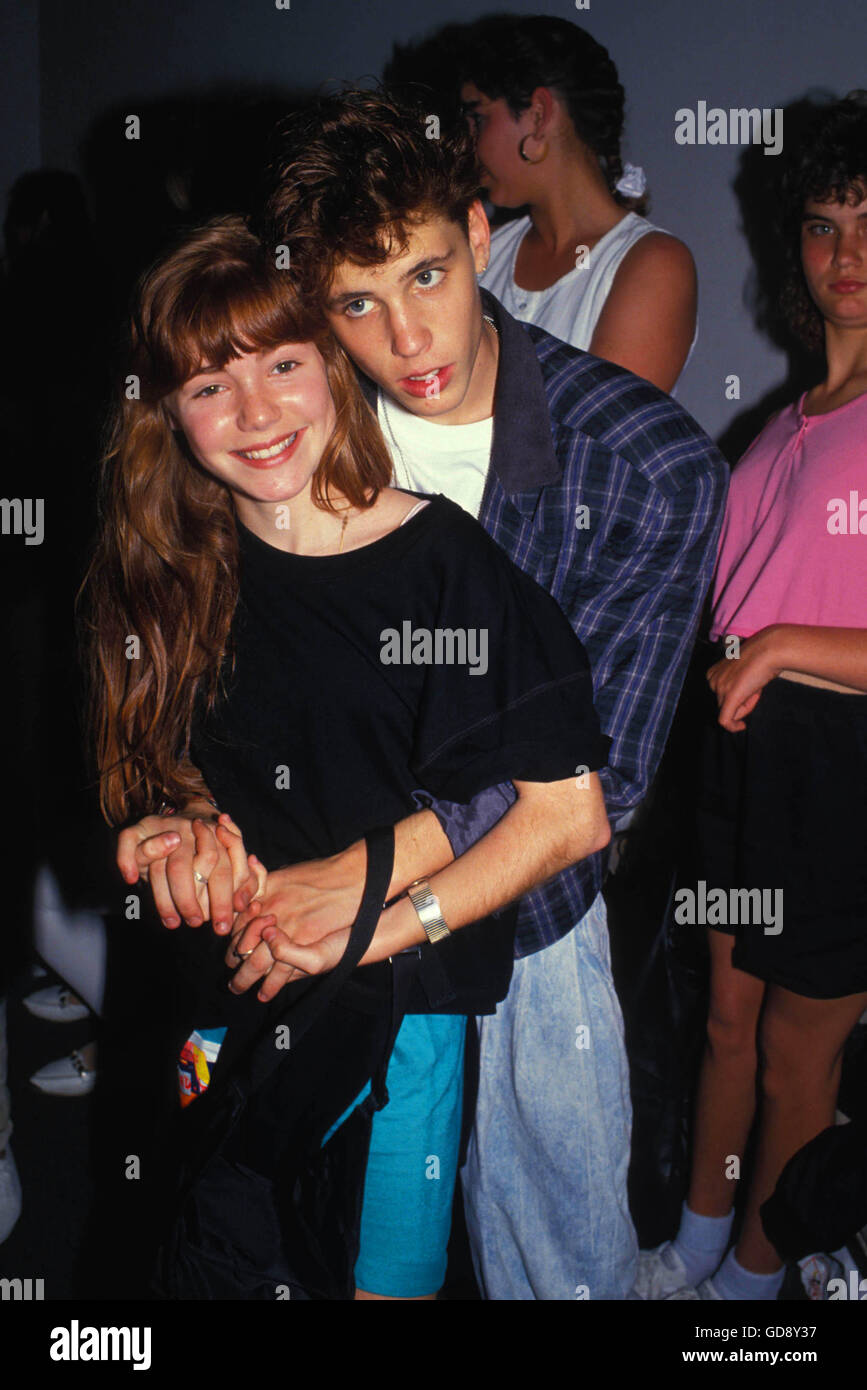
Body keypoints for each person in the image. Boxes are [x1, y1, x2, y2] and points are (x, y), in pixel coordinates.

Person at [220, 88, 728, 1301]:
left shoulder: (650, 467)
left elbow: (598, 780)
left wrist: (377, 886)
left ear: (481, 233)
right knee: (306, 1220)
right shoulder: (296, 435)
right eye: (357, 300)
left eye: (427, 275)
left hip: (529, 909)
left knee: (560, 1252)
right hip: (312, 868)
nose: (408, 339)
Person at [82, 214, 613, 1300]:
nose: (258, 411)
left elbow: (570, 814)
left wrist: (381, 925)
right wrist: (168, 830)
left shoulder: (442, 568)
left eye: (283, 363)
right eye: (209, 385)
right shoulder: (169, 570)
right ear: (168, 414)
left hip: (392, 1030)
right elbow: (147, 786)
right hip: (224, 1004)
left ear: (330, 367)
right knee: (212, 1261)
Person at [634, 94, 867, 1301]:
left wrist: (777, 642)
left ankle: (756, 1285)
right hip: (747, 751)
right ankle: (696, 1240)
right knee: (723, 1022)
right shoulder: (788, 421)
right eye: (825, 226)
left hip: (845, 759)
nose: (846, 256)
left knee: (795, 1053)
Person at [385, 15, 696, 392]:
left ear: (537, 115)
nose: (465, 143)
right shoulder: (479, 248)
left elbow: (599, 438)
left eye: (477, 117)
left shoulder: (655, 265)